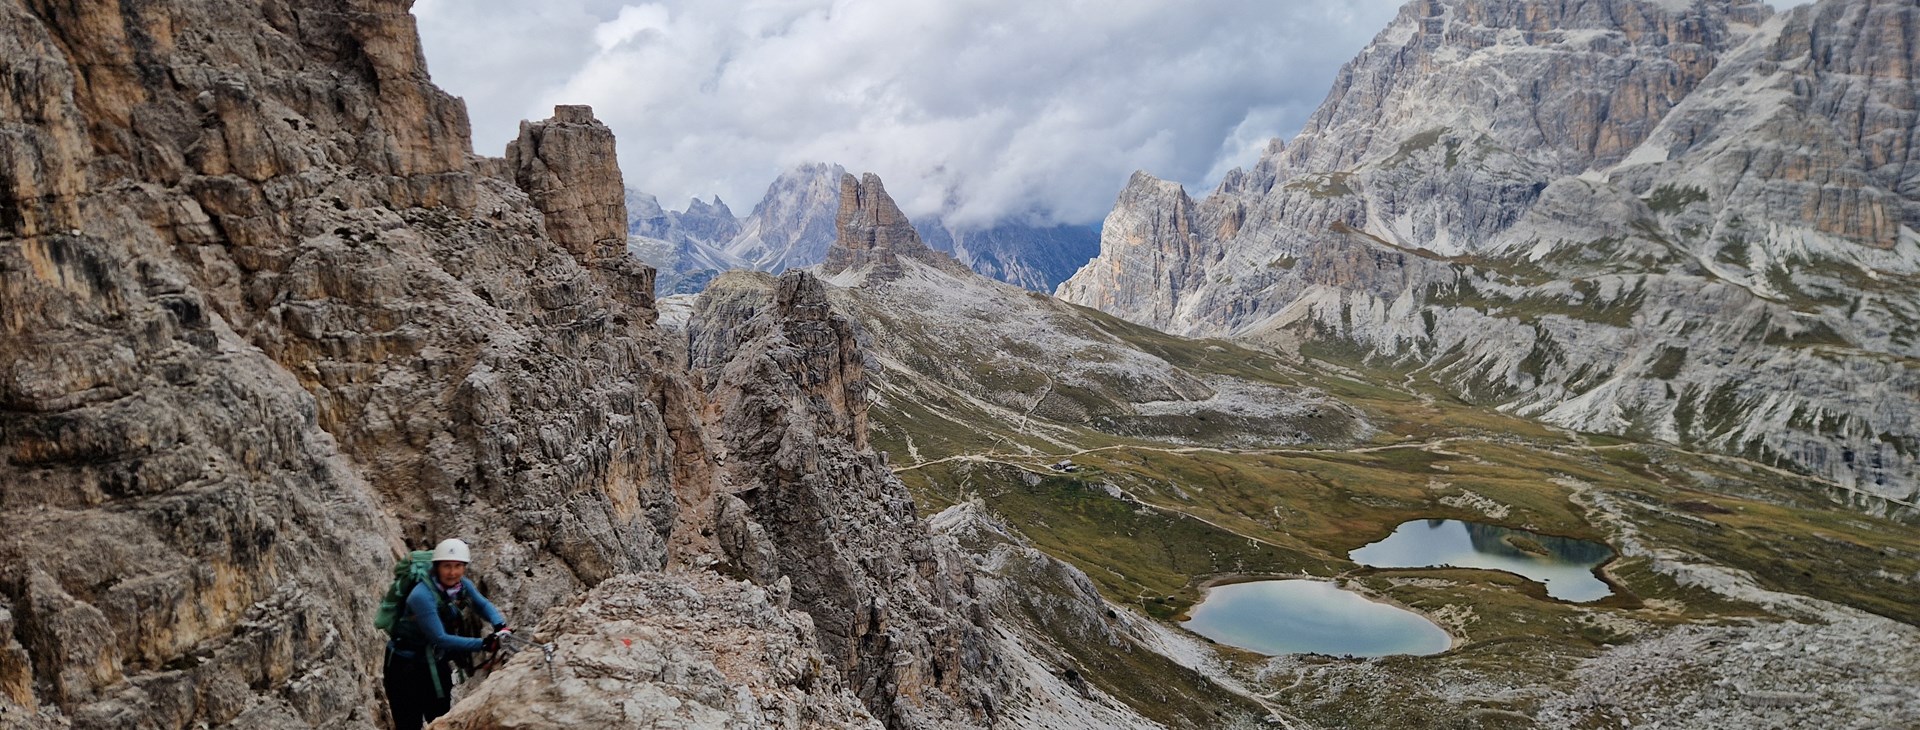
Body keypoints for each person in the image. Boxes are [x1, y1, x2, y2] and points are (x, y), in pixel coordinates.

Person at [384, 538, 510, 730]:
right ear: (436, 567)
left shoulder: (461, 586)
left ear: (464, 567)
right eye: (447, 566)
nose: (453, 572)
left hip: (434, 662)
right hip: (404, 668)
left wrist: (500, 625)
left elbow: (481, 604)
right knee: (408, 723)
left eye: (458, 566)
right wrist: (483, 644)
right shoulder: (421, 596)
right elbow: (440, 638)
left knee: (442, 719)